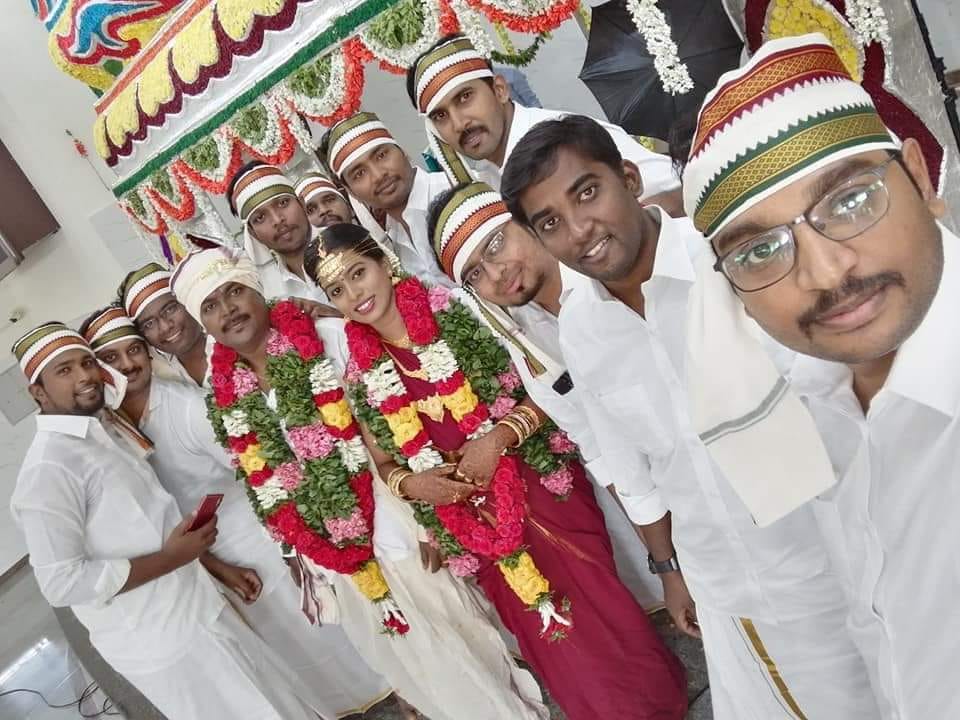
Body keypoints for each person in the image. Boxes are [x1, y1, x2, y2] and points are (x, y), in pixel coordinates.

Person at [500, 114, 881, 718]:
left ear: (628, 177)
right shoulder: (583, 328)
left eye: (587, 192)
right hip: (729, 583)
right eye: (550, 223)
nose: (579, 230)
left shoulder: (726, 260)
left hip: (835, 552)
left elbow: (839, 388)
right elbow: (637, 465)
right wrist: (668, 568)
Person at [306, 222, 688, 720]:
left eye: (359, 272)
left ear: (384, 261)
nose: (355, 293)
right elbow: (384, 463)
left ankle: (656, 703)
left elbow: (548, 387)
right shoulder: (360, 373)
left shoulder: (459, 312)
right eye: (337, 289)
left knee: (595, 604)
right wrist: (413, 482)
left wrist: (495, 439)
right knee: (542, 631)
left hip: (541, 487)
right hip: (474, 526)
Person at [681, 33, 956, 718]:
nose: (828, 272)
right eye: (762, 249)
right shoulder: (810, 397)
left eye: (851, 200)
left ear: (922, 179)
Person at [171, 246, 549, 720]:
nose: (227, 309)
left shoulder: (328, 336)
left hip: (394, 517)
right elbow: (269, 485)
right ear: (202, 323)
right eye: (210, 305)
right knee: (405, 660)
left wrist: (427, 522)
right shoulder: (225, 399)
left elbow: (396, 421)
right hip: (335, 554)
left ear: (257, 290)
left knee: (462, 634)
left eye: (234, 292)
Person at [80, 305, 391, 717]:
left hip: (256, 540)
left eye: (133, 351)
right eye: (111, 358)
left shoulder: (186, 408)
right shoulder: (112, 429)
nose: (128, 365)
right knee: (289, 654)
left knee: (326, 635)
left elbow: (257, 468)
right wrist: (208, 562)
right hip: (204, 558)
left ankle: (391, 695)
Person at [10, 322, 326, 720]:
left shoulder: (102, 430)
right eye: (64, 370)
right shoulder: (49, 470)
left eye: (87, 362)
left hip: (196, 604)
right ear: (37, 392)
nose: (86, 375)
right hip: (159, 640)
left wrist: (205, 562)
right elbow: (62, 583)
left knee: (279, 703)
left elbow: (149, 521)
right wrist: (175, 558)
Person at [425, 180, 665, 609]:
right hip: (673, 503)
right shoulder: (527, 343)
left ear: (525, 223)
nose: (496, 273)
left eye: (496, 244)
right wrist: (665, 560)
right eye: (475, 272)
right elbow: (602, 453)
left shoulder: (607, 273)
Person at [407, 33, 682, 217]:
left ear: (500, 90)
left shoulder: (569, 136)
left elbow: (678, 191)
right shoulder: (487, 183)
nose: (459, 123)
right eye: (440, 116)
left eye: (465, 97)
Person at [320, 112, 452, 287]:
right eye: (359, 173)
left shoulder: (453, 191)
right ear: (351, 192)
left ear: (402, 150)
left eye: (381, 155)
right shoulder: (392, 244)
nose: (378, 175)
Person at [227, 161, 331, 304]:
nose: (277, 220)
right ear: (253, 233)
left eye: (283, 203)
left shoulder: (351, 244)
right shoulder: (270, 296)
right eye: (260, 217)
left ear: (301, 203)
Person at [119, 262, 212, 386]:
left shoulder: (232, 339)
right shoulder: (161, 375)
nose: (165, 327)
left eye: (169, 309)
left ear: (187, 300)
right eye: (149, 324)